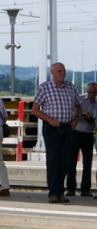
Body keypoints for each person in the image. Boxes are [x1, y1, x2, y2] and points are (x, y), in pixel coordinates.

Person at [30, 62, 83, 204]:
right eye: (59, 71)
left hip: (67, 128)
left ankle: (61, 191)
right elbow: (35, 110)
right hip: (52, 128)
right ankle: (53, 192)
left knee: (65, 161)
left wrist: (76, 119)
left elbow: (79, 105)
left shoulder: (70, 88)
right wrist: (49, 119)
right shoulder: (45, 88)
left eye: (64, 71)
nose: (62, 73)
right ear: (52, 72)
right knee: (53, 160)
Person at [69, 82, 97, 197]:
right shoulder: (80, 100)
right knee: (71, 162)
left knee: (87, 163)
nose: (91, 94)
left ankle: (85, 189)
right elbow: (73, 112)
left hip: (88, 134)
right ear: (87, 91)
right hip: (76, 132)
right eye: (90, 92)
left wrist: (92, 118)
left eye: (94, 93)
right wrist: (83, 115)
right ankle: (70, 188)